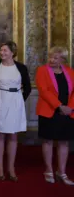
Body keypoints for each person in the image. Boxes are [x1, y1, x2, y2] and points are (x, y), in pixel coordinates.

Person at [0, 41, 31, 181]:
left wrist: (19, 100)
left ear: (12, 52)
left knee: (13, 135)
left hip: (15, 102)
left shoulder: (21, 68)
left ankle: (11, 168)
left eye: (5, 50)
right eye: (1, 50)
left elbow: (27, 87)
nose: (2, 53)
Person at [36, 46, 74, 185]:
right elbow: (43, 91)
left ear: (63, 60)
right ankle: (48, 171)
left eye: (55, 57)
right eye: (50, 56)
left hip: (67, 113)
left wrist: (70, 107)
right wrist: (59, 106)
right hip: (49, 111)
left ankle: (62, 172)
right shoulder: (42, 70)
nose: (51, 59)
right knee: (48, 141)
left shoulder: (70, 72)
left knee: (64, 142)